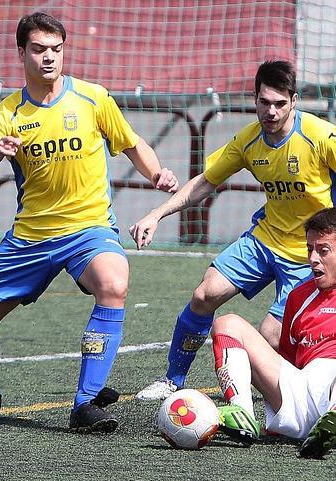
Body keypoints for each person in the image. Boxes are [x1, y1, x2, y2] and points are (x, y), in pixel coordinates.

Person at [0, 12, 178, 433]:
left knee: (114, 282)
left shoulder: (92, 98)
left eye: (56, 49)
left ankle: (86, 403)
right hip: (31, 237)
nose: (49, 58)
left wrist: (156, 173)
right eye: (38, 49)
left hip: (88, 229)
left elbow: (131, 142)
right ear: (21, 53)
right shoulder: (7, 113)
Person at [130, 59, 336, 401]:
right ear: (254, 99)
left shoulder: (319, 136)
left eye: (280, 104)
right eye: (264, 103)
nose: (271, 112)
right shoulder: (248, 140)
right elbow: (205, 182)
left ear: (294, 101)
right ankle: (173, 379)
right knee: (204, 294)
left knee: (270, 337)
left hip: (308, 252)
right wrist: (156, 213)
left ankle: (297, 401)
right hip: (265, 239)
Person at [212, 207, 336, 459]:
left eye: (323, 251)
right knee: (228, 322)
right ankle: (241, 412)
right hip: (305, 395)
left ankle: (330, 423)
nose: (313, 258)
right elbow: (290, 363)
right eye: (309, 249)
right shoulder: (299, 297)